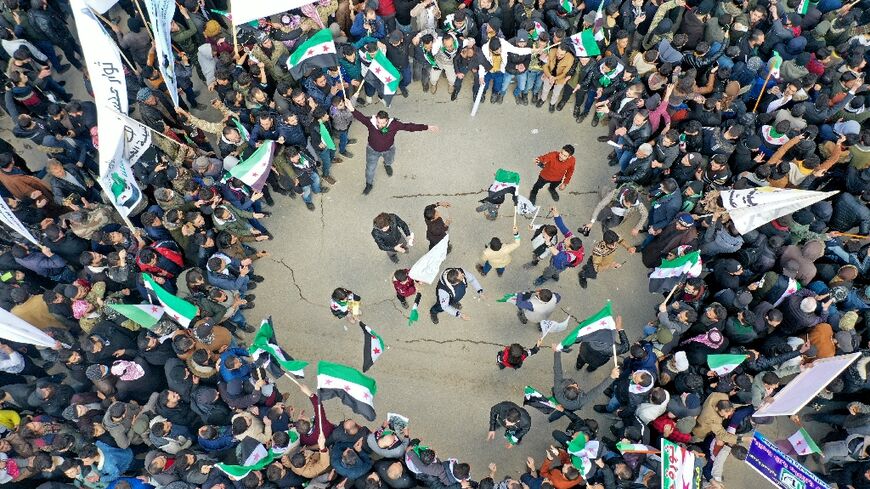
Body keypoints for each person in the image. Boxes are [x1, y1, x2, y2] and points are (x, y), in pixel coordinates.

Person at [346, 100, 439, 194]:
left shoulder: (394, 124)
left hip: (389, 149)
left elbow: (409, 127)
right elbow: (361, 117)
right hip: (372, 151)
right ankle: (369, 184)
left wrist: (426, 127)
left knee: (390, 161)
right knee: (370, 170)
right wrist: (351, 109)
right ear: (376, 119)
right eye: (378, 122)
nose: (380, 125)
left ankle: (387, 165)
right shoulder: (370, 123)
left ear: (387, 120)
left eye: (383, 123)